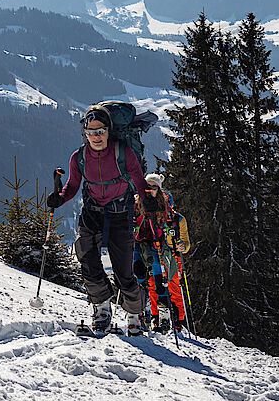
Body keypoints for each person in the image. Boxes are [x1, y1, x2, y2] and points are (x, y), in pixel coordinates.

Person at [46, 106, 150, 335]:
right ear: (85, 133)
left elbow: (138, 180)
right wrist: (59, 198)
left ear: (108, 131)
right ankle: (102, 308)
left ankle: (135, 314)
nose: (96, 136)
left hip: (120, 212)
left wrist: (147, 201)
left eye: (100, 131)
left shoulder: (123, 152)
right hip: (92, 211)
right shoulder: (79, 157)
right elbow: (72, 186)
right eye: (91, 132)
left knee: (124, 271)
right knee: (87, 259)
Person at [136, 173, 189, 331]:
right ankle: (156, 318)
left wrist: (183, 247)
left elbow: (186, 242)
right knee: (154, 285)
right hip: (155, 252)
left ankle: (178, 322)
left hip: (172, 256)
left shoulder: (177, 218)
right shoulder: (144, 210)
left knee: (174, 290)